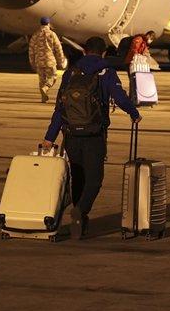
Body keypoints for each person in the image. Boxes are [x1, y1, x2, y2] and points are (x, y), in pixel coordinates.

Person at [42, 36, 141, 238]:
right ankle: (80, 211)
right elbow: (120, 97)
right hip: (94, 133)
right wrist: (134, 113)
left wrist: (49, 137)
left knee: (78, 177)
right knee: (95, 179)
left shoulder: (71, 72)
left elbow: (60, 108)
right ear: (103, 53)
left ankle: (80, 221)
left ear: (85, 51)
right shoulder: (106, 71)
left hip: (70, 134)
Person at [27, 17, 67, 103]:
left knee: (42, 79)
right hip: (49, 60)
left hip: (39, 61)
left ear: (41, 24)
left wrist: (32, 62)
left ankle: (43, 98)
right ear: (48, 24)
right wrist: (61, 60)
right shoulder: (52, 34)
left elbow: (31, 49)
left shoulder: (35, 34)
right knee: (53, 77)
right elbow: (58, 48)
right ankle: (46, 88)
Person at [126, 32, 151, 96]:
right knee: (133, 80)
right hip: (132, 62)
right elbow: (134, 48)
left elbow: (144, 50)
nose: (150, 40)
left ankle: (136, 96)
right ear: (148, 35)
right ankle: (132, 97)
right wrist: (137, 55)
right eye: (151, 38)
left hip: (137, 63)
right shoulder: (139, 39)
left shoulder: (144, 42)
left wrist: (146, 55)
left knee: (136, 80)